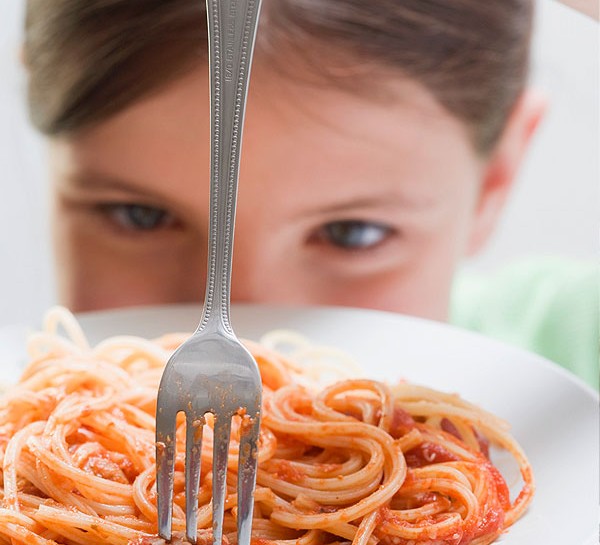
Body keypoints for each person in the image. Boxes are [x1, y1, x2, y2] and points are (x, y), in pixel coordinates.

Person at [23, 0, 597, 388]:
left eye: (352, 234)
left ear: (496, 179)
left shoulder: (572, 345)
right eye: (140, 216)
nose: (251, 348)